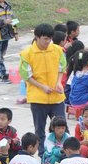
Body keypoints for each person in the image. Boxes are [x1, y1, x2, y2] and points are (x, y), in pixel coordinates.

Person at [20, 24, 67, 157]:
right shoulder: (27, 54)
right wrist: (42, 87)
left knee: (62, 127)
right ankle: (43, 155)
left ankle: (64, 152)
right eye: (45, 39)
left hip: (56, 97)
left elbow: (61, 68)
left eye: (50, 39)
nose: (48, 42)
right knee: (39, 129)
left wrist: (58, 83)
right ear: (37, 37)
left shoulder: (57, 50)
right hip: (38, 98)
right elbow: (26, 75)